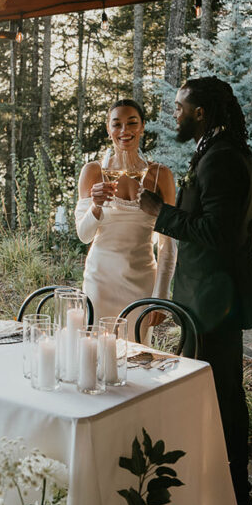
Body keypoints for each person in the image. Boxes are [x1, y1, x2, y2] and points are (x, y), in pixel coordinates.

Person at [138, 76, 252, 505]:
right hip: (207, 301)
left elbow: (218, 233)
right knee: (219, 394)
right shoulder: (217, 149)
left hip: (214, 303)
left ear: (200, 112)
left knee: (220, 399)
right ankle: (228, 493)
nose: (175, 113)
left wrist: (159, 212)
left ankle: (232, 498)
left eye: (179, 106)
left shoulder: (223, 159)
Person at [75, 98, 177, 338]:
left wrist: (161, 295)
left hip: (141, 282)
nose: (124, 131)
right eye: (117, 124)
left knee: (137, 356)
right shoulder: (93, 172)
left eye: (132, 123)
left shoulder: (161, 175)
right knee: (97, 352)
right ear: (108, 128)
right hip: (99, 280)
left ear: (142, 127)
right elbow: (84, 235)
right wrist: (96, 207)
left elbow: (168, 242)